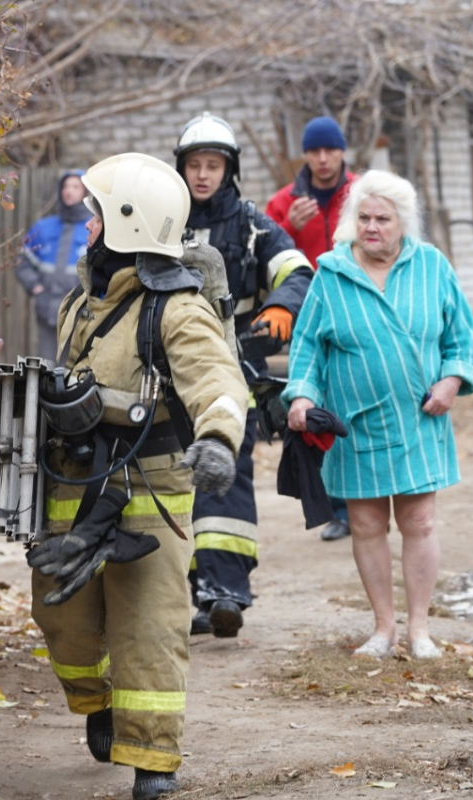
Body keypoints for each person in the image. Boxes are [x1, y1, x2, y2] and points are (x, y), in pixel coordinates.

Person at [29, 152, 248, 800]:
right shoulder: (79, 300)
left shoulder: (175, 309)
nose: (86, 223)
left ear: (126, 224)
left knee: (149, 629)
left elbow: (219, 382)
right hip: (72, 492)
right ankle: (97, 701)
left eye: (95, 213)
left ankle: (155, 764)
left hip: (150, 491)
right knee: (60, 617)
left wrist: (216, 439)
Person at [281, 170, 473, 661]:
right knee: (367, 525)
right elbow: (306, 348)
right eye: (364, 217)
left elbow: (462, 337)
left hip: (419, 417)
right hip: (355, 425)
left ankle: (419, 630)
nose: (372, 227)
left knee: (421, 521)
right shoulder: (330, 273)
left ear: (402, 222)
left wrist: (452, 379)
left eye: (383, 219)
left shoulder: (432, 266)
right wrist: (302, 397)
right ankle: (383, 629)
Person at [172, 112, 314, 638]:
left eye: (212, 165)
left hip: (235, 375)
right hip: (169, 379)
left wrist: (280, 306)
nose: (203, 174)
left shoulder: (253, 224)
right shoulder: (160, 221)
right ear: (180, 168)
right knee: (173, 484)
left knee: (224, 481)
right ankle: (192, 593)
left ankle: (225, 591)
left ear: (228, 170)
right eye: (194, 165)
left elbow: (296, 270)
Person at [265, 115, 359, 542]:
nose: (323, 159)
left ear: (342, 152)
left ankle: (364, 504)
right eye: (315, 151)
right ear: (305, 155)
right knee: (317, 414)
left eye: (331, 150)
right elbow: (264, 258)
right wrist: (290, 228)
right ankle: (337, 510)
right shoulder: (284, 202)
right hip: (308, 318)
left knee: (354, 409)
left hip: (356, 313)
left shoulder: (362, 193)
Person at [15, 170, 91, 360]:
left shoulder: (93, 227)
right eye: (66, 186)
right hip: (47, 309)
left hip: (82, 313)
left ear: (85, 192)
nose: (69, 191)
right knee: (47, 365)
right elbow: (21, 261)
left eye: (75, 187)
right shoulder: (43, 227)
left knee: (77, 368)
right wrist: (36, 287)